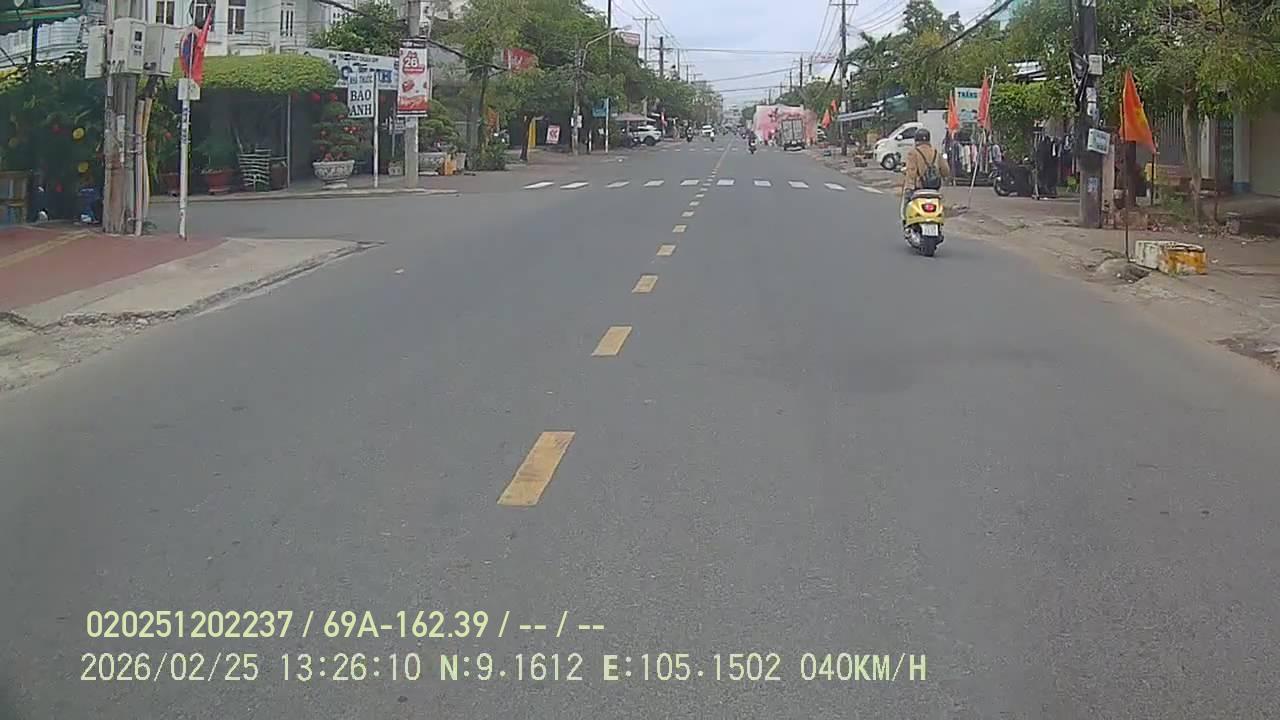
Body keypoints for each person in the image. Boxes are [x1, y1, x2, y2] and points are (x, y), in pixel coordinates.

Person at [900, 128, 950, 220]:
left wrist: (910, 186)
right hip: (934, 188)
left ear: (916, 139)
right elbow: (945, 170)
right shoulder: (936, 152)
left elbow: (911, 171)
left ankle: (906, 222)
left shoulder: (913, 153)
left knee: (905, 205)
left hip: (918, 188)